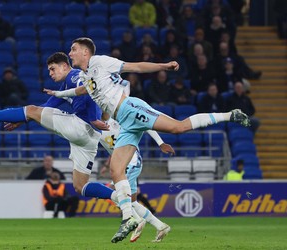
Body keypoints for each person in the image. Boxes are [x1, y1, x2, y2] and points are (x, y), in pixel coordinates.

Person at [44, 37, 250, 243]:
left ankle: (229, 115)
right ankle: (128, 219)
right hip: (125, 122)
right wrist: (59, 93)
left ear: (85, 53)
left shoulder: (100, 62)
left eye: (74, 49)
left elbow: (136, 67)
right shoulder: (87, 75)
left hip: (130, 110)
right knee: (116, 170)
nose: (70, 53)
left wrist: (164, 66)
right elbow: (81, 90)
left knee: (178, 128)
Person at [0, 52, 117, 210]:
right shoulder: (65, 87)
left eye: (53, 69)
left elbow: (90, 90)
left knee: (31, 109)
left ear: (65, 66)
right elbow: (46, 108)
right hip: (90, 138)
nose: (50, 74)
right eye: (49, 71)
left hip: (81, 127)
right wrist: (21, 119)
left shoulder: (74, 76)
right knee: (80, 186)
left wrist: (94, 118)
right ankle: (119, 196)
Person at [99, 117, 174, 243]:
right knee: (131, 201)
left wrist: (160, 143)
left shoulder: (117, 119)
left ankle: (137, 220)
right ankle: (161, 226)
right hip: (122, 164)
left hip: (132, 161)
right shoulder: (95, 127)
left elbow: (145, 123)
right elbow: (113, 150)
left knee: (114, 192)